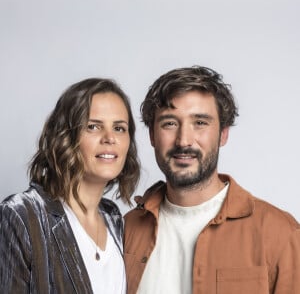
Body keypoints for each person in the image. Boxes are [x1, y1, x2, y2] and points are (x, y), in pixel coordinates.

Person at [123, 66, 300, 294]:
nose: (184, 140)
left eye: (200, 123)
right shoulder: (126, 231)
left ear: (223, 134)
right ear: (151, 136)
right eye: (170, 123)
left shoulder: (280, 233)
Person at [0, 78, 140, 293]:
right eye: (93, 126)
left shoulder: (114, 219)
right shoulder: (22, 214)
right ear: (65, 136)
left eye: (120, 128)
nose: (110, 138)